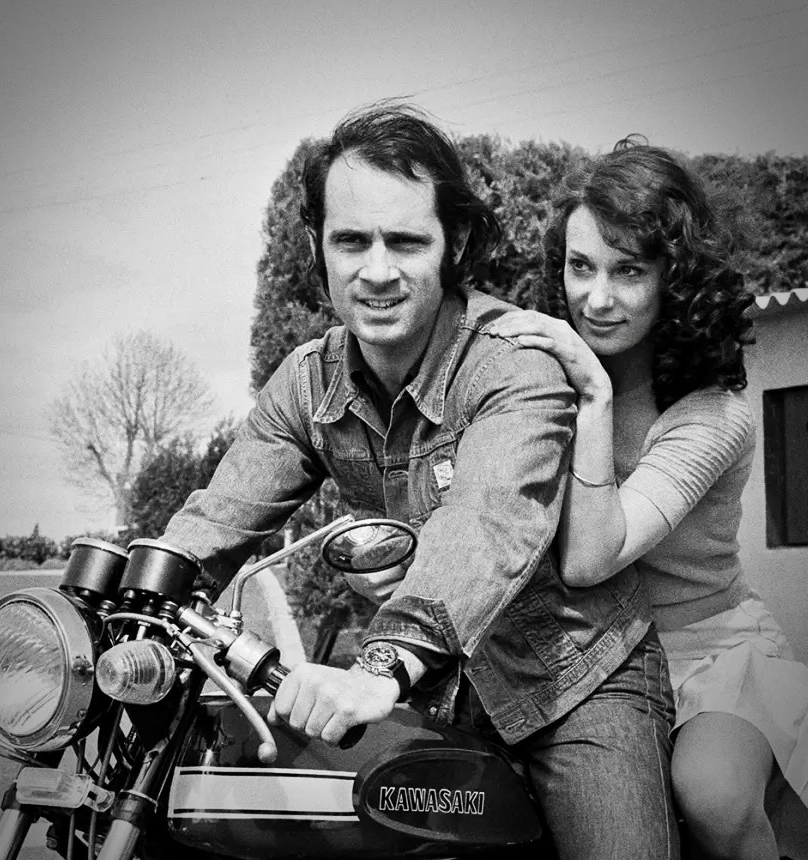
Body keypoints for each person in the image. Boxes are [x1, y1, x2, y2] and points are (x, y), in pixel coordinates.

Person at [162, 105, 680, 859]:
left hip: (578, 682)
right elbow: (213, 519)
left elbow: (489, 522)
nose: (376, 271)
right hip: (445, 687)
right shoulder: (306, 385)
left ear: (454, 243)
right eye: (351, 241)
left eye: (404, 240)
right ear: (318, 247)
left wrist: (378, 666)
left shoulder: (512, 365)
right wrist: (115, 600)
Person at [485, 137, 808, 859]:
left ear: (675, 278)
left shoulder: (713, 415)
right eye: (580, 267)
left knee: (715, 796)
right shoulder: (538, 382)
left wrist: (593, 396)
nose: (596, 299)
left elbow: (592, 555)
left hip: (709, 649)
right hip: (584, 650)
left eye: (628, 270)